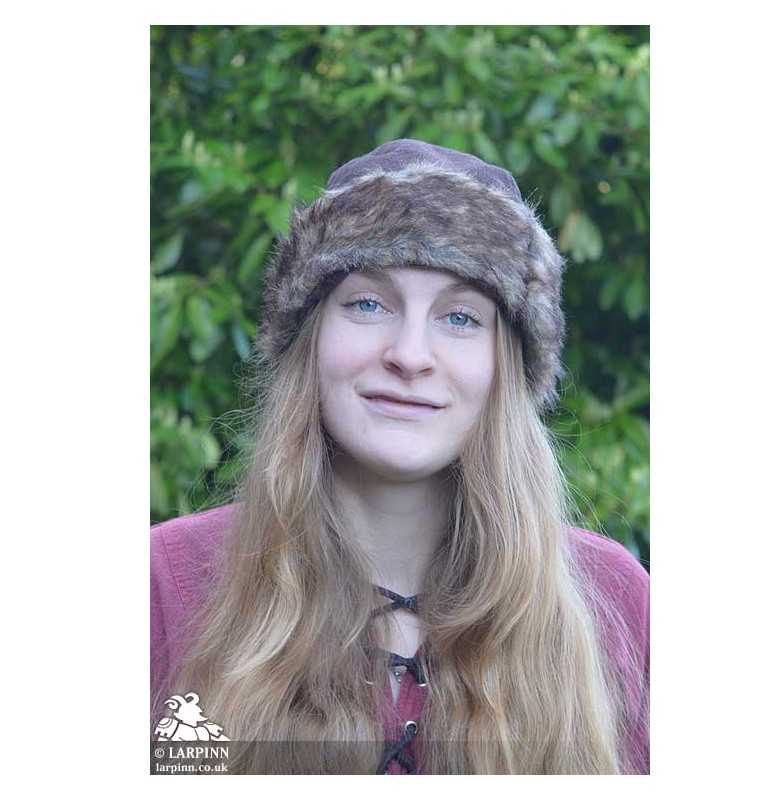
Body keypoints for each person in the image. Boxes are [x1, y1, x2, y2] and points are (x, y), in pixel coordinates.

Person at [151, 139, 649, 774]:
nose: (410, 355)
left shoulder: (614, 600)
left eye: (461, 317)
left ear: (506, 367)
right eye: (368, 304)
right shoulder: (163, 581)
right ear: (310, 341)